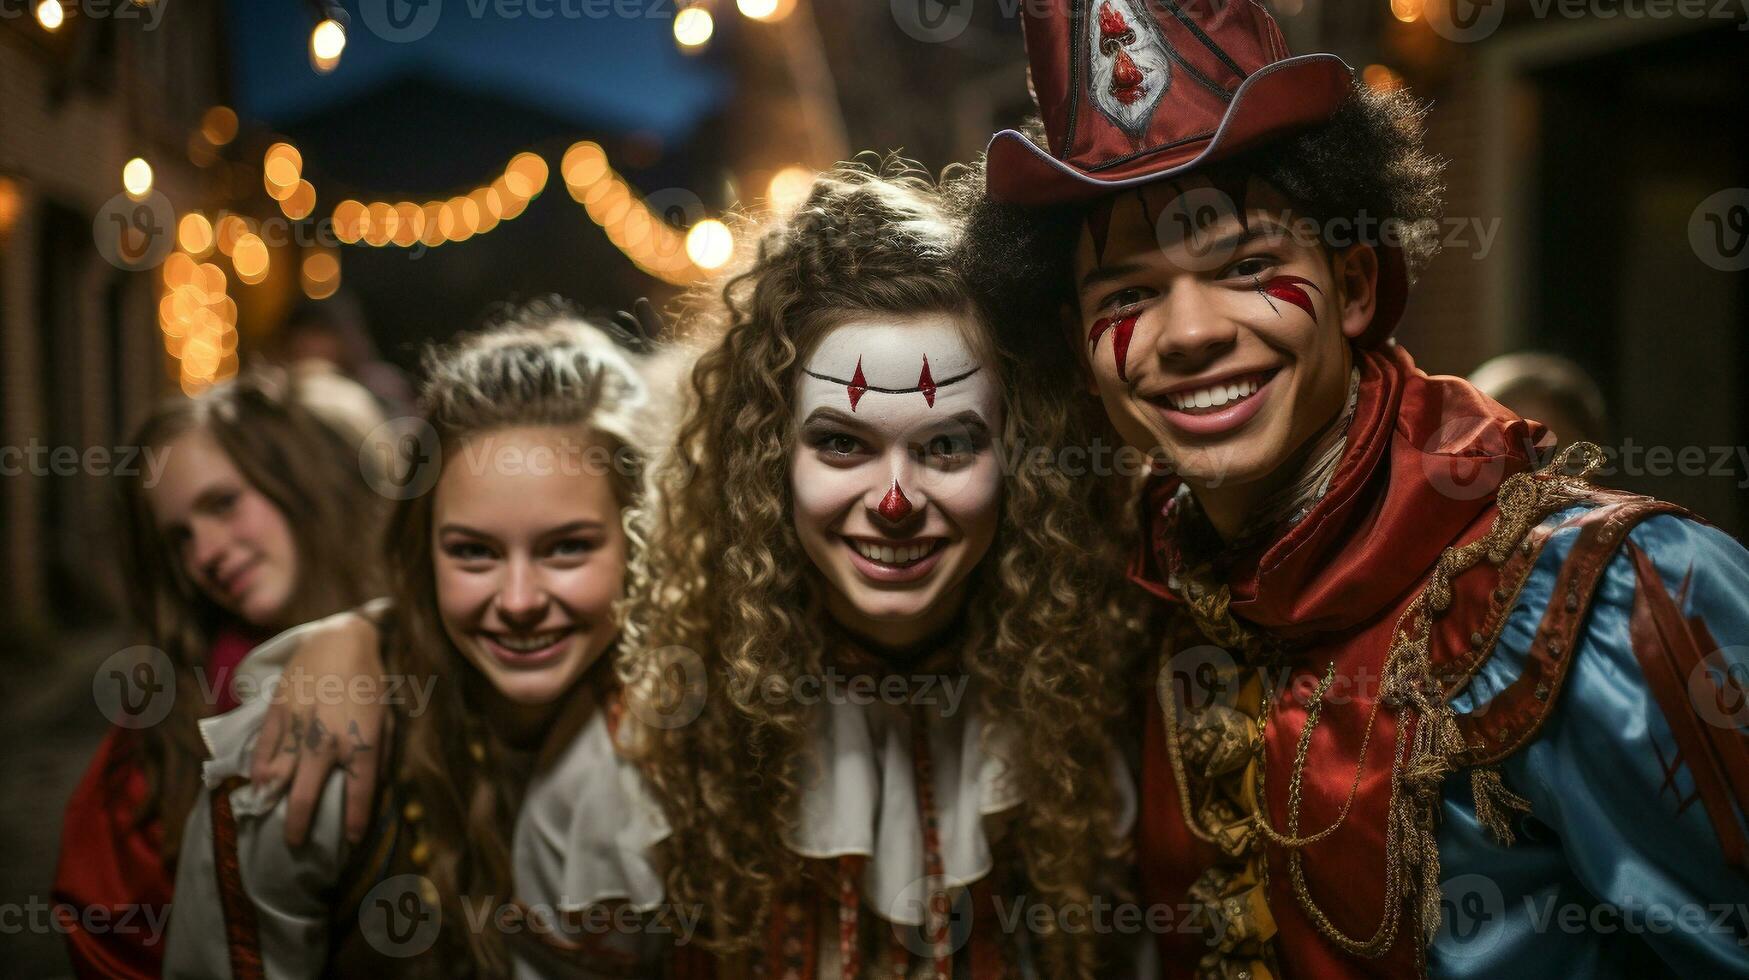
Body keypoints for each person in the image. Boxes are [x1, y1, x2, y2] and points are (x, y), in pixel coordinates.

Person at [963, 1, 1749, 976]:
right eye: (1127, 294)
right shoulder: (1135, 609)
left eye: (1246, 264)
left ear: (1358, 287)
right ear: (1083, 359)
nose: (1190, 331)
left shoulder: (1607, 600)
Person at [508, 163, 1141, 978]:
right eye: (842, 442)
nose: (893, 502)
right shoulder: (642, 753)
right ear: (765, 458)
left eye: (947, 444)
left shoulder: (1092, 707)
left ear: (1019, 455)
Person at [162, 308, 669, 977]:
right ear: (420, 552)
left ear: (639, 543)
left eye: (567, 548)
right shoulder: (305, 757)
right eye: (473, 553)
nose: (517, 602)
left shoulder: (694, 735)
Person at [52, 371, 386, 980]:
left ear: (298, 484)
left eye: (224, 503)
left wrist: (361, 632)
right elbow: (112, 930)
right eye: (179, 538)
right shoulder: (171, 731)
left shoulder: (427, 636)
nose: (204, 553)